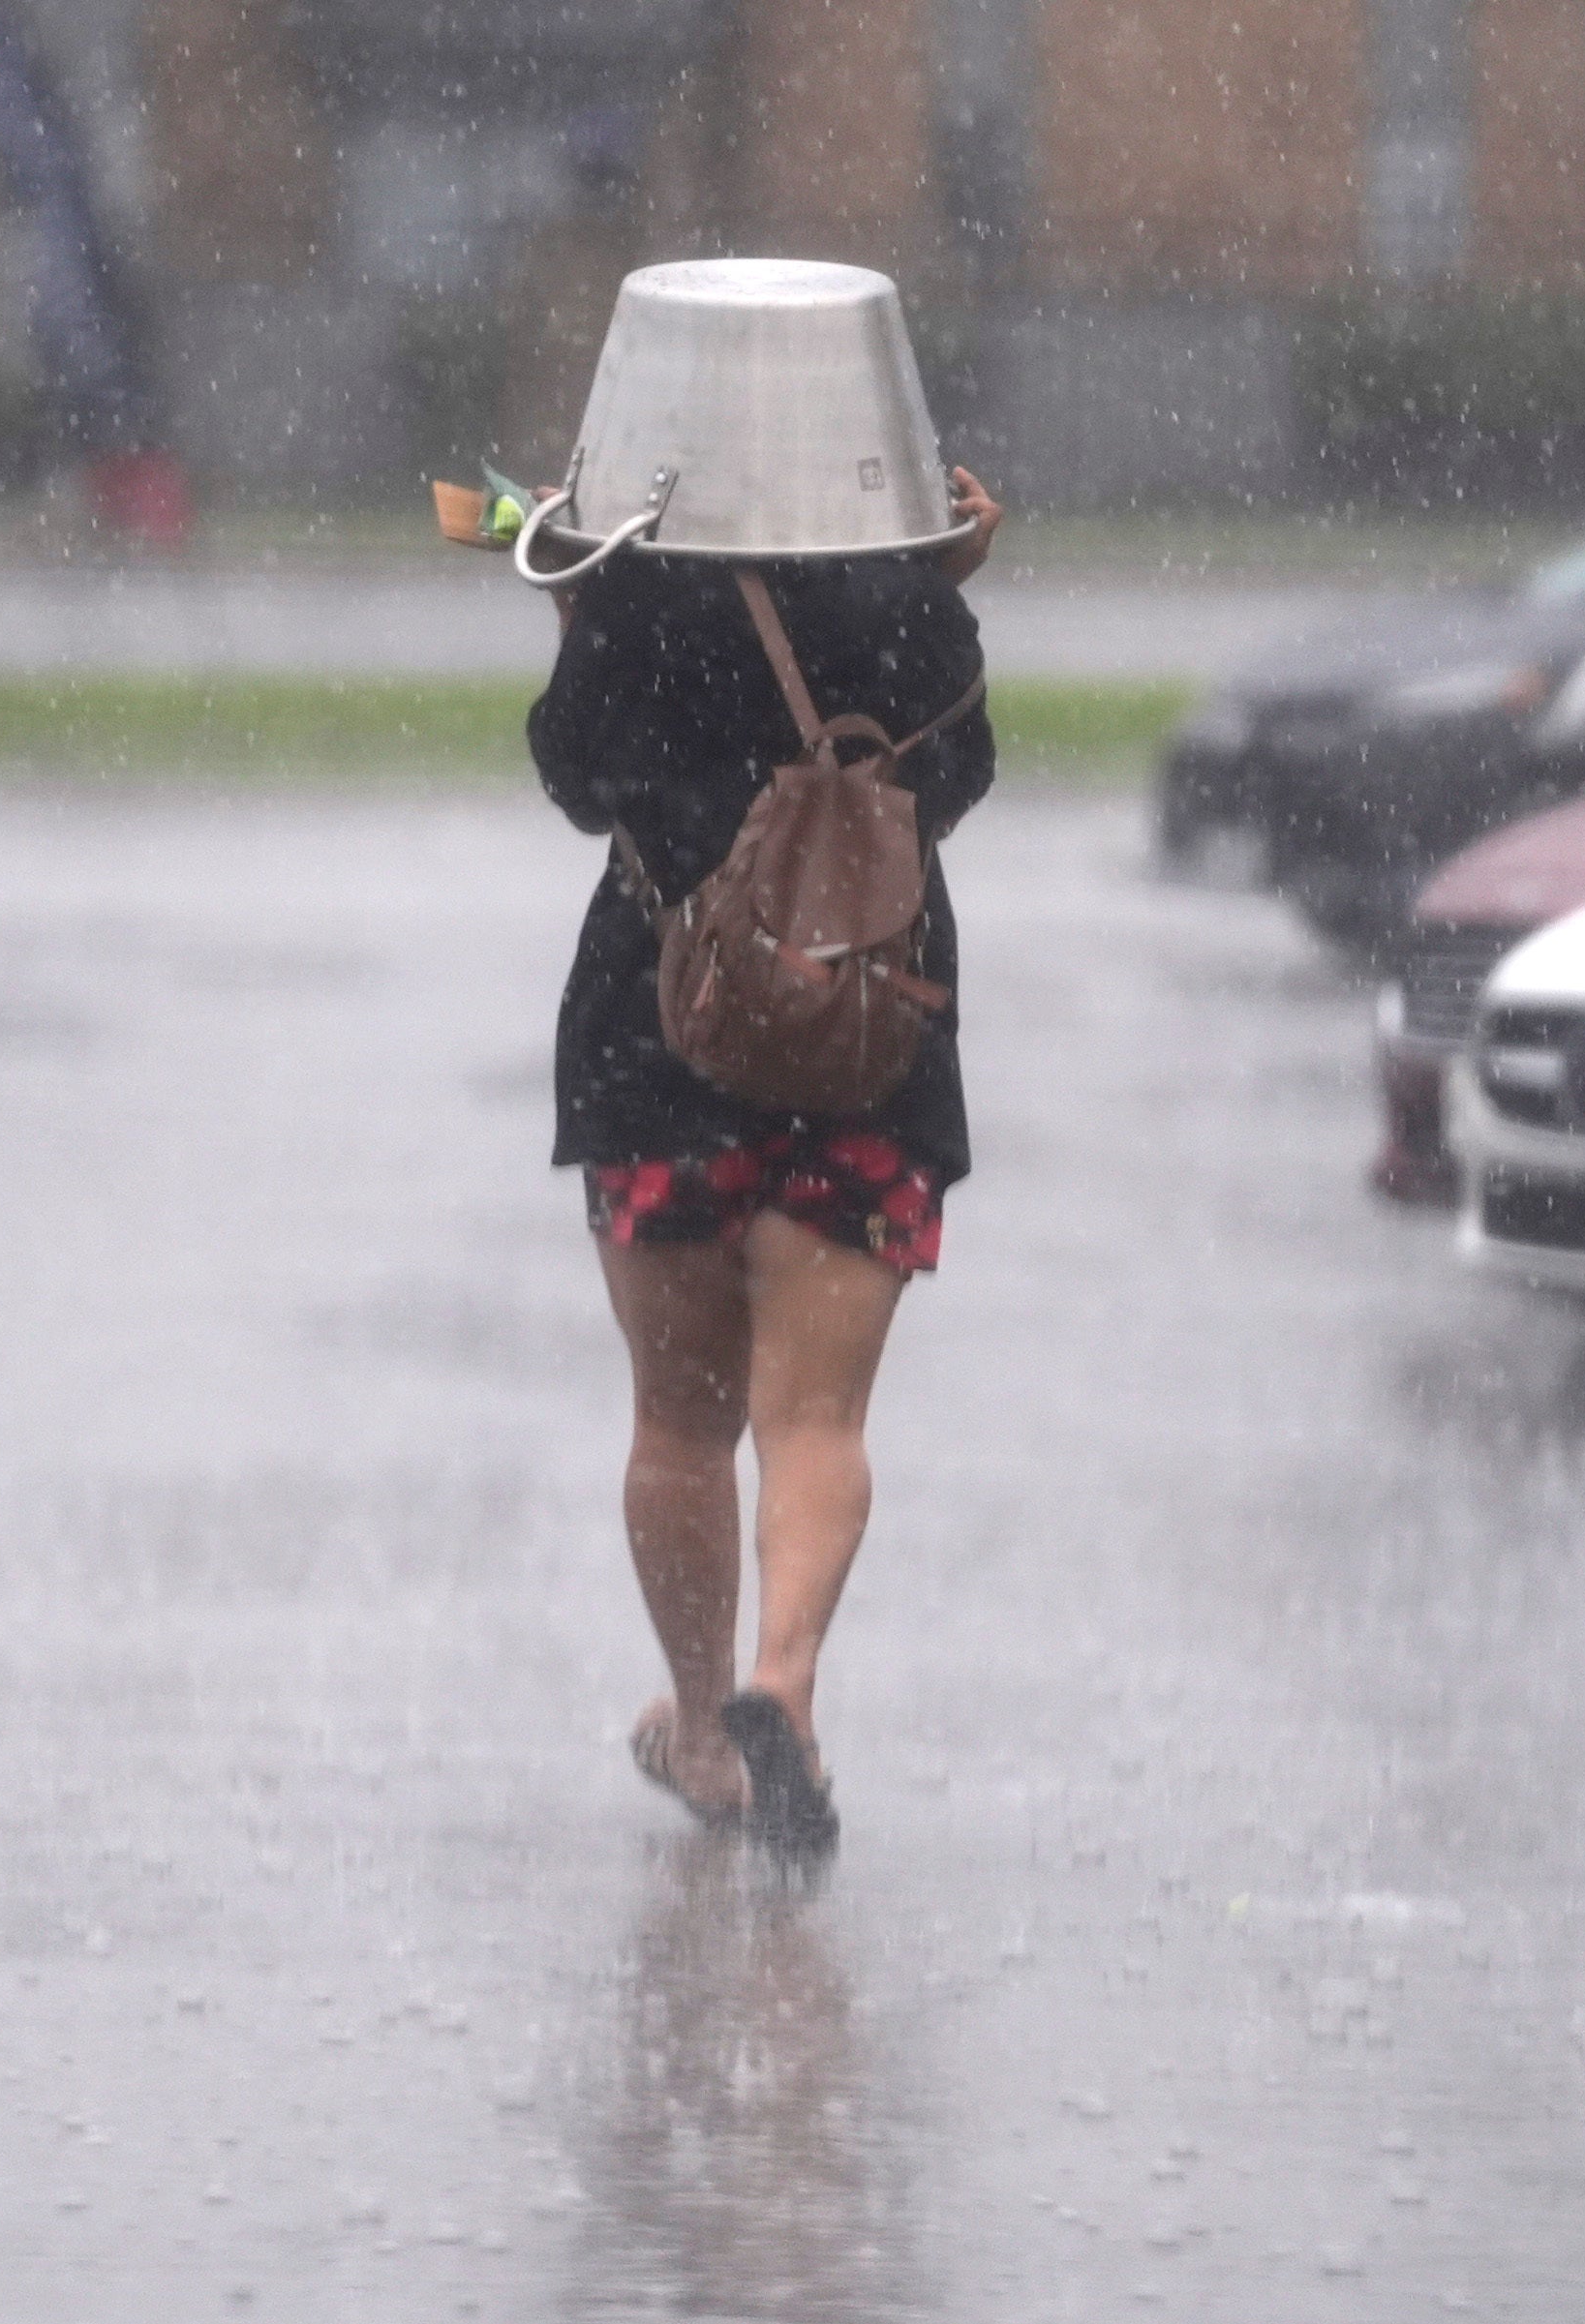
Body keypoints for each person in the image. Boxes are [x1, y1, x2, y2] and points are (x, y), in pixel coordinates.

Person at [528, 467, 1005, 1859]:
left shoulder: (631, 580)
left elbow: (576, 774)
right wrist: (934, 595)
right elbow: (951, 784)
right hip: (868, 1037)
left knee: (681, 1425)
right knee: (818, 1421)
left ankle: (698, 1726)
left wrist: (576, 598)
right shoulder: (911, 593)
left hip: (656, 1040)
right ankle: (782, 1684)